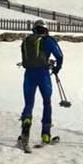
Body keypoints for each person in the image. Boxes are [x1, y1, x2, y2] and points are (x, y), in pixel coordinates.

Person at [19, 20, 63, 148]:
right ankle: (45, 134)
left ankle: (25, 131)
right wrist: (57, 68)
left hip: (29, 74)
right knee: (47, 102)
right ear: (45, 29)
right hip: (43, 74)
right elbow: (59, 56)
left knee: (28, 103)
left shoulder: (27, 41)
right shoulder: (48, 40)